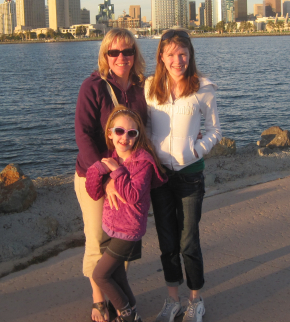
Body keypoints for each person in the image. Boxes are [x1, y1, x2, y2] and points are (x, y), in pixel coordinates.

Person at [145, 30, 221, 322]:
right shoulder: (151, 87)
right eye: (171, 54)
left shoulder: (203, 87)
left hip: (190, 176)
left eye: (182, 53)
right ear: (161, 57)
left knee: (188, 241)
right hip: (160, 176)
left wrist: (195, 150)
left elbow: (216, 130)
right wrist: (154, 152)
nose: (177, 60)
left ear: (190, 54)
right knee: (167, 242)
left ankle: (195, 300)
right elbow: (149, 128)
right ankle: (172, 300)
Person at [74, 28, 147, 322]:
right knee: (97, 240)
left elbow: (150, 131)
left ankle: (120, 301)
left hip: (128, 179)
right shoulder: (92, 87)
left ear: (134, 55)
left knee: (122, 241)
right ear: (105, 55)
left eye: (127, 51)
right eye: (114, 52)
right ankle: (98, 300)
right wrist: (106, 178)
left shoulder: (142, 87)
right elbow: (83, 135)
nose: (121, 57)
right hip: (94, 177)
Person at [86, 105, 167, 322]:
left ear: (138, 136)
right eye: (120, 131)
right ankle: (132, 307)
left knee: (100, 275)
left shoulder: (143, 163)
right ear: (110, 133)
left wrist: (117, 171)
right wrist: (99, 171)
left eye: (132, 133)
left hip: (128, 230)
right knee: (117, 275)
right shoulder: (111, 158)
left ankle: (126, 313)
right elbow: (93, 192)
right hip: (110, 226)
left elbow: (132, 195)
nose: (125, 138)